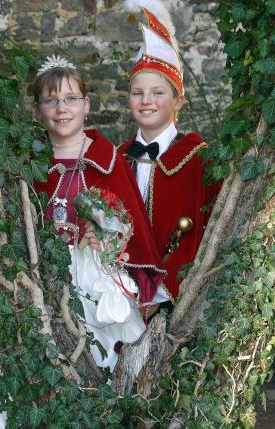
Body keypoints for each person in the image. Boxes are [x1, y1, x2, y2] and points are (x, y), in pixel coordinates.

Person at [30, 55, 166, 371]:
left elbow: (132, 227)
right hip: (43, 276)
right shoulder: (28, 162)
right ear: (37, 110)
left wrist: (108, 237)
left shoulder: (110, 161)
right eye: (51, 101)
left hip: (96, 277)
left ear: (86, 105)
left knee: (105, 362)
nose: (62, 108)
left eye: (71, 99)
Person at [119, 1, 221, 305]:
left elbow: (203, 236)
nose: (146, 100)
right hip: (117, 296)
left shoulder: (198, 160)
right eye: (138, 93)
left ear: (178, 103)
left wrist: (161, 296)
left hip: (174, 300)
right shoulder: (117, 158)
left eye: (158, 93)